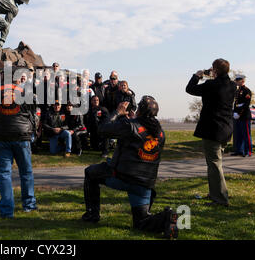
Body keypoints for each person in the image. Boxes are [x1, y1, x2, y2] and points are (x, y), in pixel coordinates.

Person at [82, 96, 179, 239]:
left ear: (139, 111)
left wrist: (117, 112)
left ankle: (92, 214)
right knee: (141, 222)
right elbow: (142, 132)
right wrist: (132, 119)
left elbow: (102, 130)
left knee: (90, 173)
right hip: (145, 185)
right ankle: (168, 218)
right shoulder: (160, 133)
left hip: (123, 177)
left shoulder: (130, 126)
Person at [186, 58, 237, 207]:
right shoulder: (233, 86)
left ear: (215, 70)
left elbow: (190, 89)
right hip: (226, 129)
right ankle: (215, 192)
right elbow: (221, 83)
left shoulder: (210, 85)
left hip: (213, 130)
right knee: (214, 163)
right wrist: (213, 75)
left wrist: (197, 75)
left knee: (214, 164)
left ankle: (221, 199)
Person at [0, 83, 37, 218]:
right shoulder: (25, 90)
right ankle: (29, 205)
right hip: (21, 134)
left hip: (1, 135)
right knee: (26, 172)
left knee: (4, 174)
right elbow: (34, 105)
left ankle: (7, 211)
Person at [232, 74, 253, 157]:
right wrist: (234, 112)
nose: (236, 82)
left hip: (244, 116)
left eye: (238, 80)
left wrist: (239, 114)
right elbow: (236, 103)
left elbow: (246, 104)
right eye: (236, 80)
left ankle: (248, 151)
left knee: (246, 134)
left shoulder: (247, 91)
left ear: (243, 81)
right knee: (238, 134)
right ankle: (239, 150)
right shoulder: (237, 91)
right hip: (237, 115)